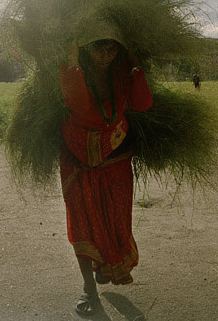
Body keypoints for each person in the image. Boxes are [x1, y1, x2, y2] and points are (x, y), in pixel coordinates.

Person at [59, 37, 152, 317]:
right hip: (78, 158)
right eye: (99, 47)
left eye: (112, 48)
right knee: (83, 221)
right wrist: (73, 64)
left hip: (116, 158)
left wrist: (137, 69)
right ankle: (89, 288)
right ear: (85, 47)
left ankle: (107, 265)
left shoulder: (123, 71)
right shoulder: (71, 69)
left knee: (115, 219)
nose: (105, 55)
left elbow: (143, 104)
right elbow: (79, 106)